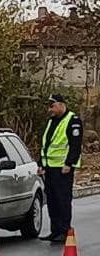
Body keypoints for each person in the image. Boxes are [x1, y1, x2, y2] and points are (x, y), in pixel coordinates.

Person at [38, 93, 83, 244]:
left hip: (63, 168)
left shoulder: (73, 120)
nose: (50, 109)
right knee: (51, 200)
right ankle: (55, 230)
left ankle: (64, 231)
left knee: (62, 199)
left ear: (61, 105)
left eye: (52, 106)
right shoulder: (51, 121)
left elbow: (75, 145)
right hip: (50, 168)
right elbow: (46, 144)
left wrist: (69, 163)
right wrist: (41, 164)